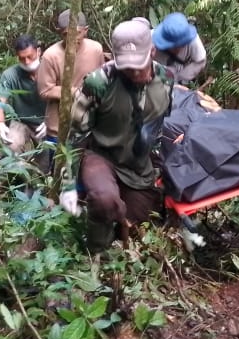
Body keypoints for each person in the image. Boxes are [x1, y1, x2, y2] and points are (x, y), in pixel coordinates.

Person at [59, 17, 176, 252]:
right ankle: (95, 252)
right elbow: (75, 135)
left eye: (139, 65)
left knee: (140, 218)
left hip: (138, 164)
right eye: (127, 67)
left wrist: (159, 165)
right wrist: (68, 183)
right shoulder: (99, 83)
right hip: (101, 156)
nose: (133, 72)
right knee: (104, 200)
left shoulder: (166, 80)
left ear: (152, 52)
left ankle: (118, 243)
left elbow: (158, 126)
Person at [36, 9, 105, 140]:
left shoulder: (96, 49)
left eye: (77, 33)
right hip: (59, 128)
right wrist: (77, 92)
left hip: (89, 125)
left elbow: (102, 79)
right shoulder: (51, 56)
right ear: (59, 33)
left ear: (85, 30)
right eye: (67, 34)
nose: (72, 39)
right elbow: (45, 91)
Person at [0, 35, 47, 156]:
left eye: (30, 57)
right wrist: (0, 123)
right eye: (22, 58)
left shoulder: (51, 70)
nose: (27, 62)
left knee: (50, 158)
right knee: (11, 145)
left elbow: (64, 99)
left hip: (47, 122)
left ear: (38, 52)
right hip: (21, 122)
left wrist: (52, 120)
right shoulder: (10, 75)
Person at [152, 12, 207, 85]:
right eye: (172, 47)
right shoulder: (150, 39)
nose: (175, 49)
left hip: (179, 76)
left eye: (179, 46)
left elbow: (200, 62)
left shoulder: (194, 42)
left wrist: (179, 77)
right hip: (156, 75)